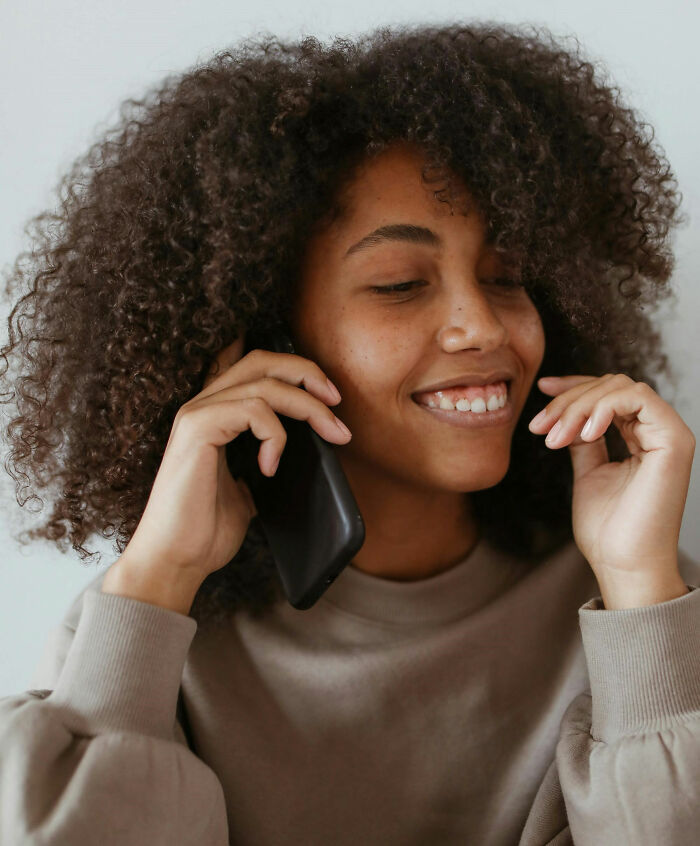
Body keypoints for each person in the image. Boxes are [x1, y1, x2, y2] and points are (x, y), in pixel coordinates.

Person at [0, 21, 698, 846]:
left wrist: (640, 584)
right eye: (400, 284)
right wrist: (162, 572)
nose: (482, 326)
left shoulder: (637, 606)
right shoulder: (148, 629)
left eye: (506, 277)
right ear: (266, 344)